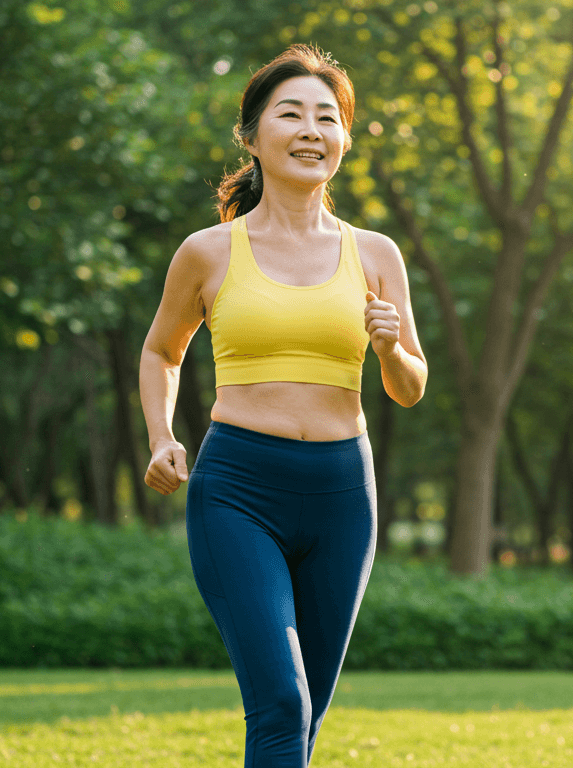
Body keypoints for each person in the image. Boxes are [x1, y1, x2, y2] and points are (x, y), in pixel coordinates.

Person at [138, 44, 427, 767]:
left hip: (341, 494)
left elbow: (411, 385)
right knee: (280, 703)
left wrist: (391, 348)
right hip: (238, 488)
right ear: (252, 136)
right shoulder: (207, 252)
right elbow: (161, 352)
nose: (310, 129)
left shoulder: (377, 254)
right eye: (290, 113)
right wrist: (159, 435)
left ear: (345, 139)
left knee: (307, 715)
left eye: (326, 117)